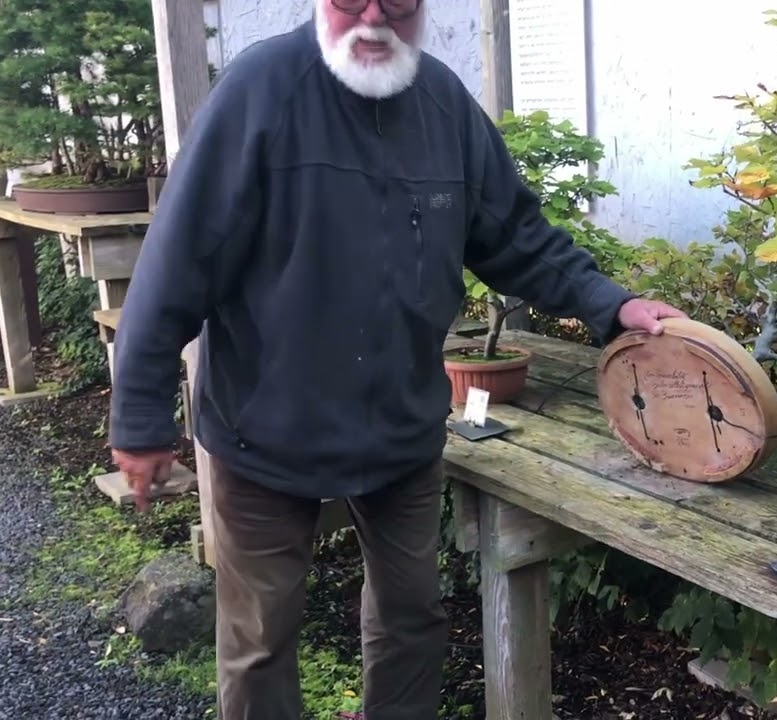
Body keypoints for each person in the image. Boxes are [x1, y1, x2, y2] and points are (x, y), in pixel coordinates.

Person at [107, 0, 686, 718]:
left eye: (398, 1)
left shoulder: (444, 106)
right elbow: (177, 258)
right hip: (265, 427)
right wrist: (140, 417)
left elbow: (516, 236)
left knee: (412, 619)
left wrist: (614, 305)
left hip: (400, 426)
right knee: (259, 640)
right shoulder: (260, 91)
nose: (374, 16)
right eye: (353, 0)